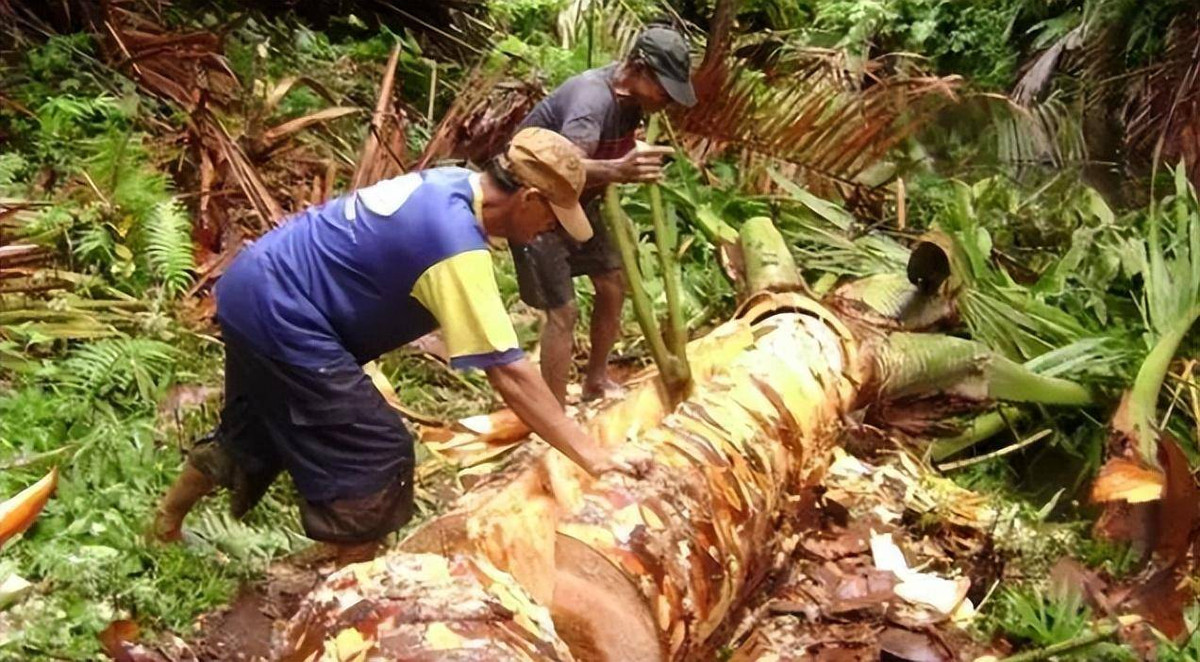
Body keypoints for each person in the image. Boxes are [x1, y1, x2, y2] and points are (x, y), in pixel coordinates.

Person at [154, 128, 628, 565]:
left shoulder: (453, 182)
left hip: (255, 283)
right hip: (285, 312)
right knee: (379, 454)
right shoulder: (455, 243)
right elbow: (509, 373)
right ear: (527, 198)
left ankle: (164, 527)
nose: (551, 229)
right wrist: (592, 455)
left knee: (255, 425)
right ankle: (344, 588)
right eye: (552, 216)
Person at [513, 25, 696, 403]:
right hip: (535, 206)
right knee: (563, 311)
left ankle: (595, 382)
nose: (666, 100)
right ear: (639, 69)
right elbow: (562, 169)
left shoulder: (630, 102)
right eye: (663, 89)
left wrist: (632, 158)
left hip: (578, 204)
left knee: (613, 284)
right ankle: (554, 413)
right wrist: (618, 170)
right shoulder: (591, 101)